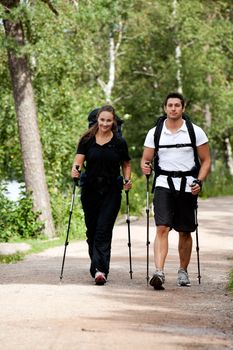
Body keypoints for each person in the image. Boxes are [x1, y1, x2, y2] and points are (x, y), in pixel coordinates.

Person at [140, 92, 211, 290]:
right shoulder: (155, 132)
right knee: (162, 227)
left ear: (183, 108)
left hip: (188, 184)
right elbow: (146, 159)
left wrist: (200, 180)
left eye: (177, 105)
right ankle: (159, 272)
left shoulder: (195, 131)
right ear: (165, 108)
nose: (173, 108)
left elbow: (206, 160)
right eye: (170, 105)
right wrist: (145, 167)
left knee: (185, 230)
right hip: (163, 183)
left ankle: (182, 271)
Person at [71, 105, 132, 285]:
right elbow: (78, 161)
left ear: (113, 122)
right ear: (97, 120)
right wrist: (75, 171)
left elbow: (126, 164)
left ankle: (100, 270)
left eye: (108, 120)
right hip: (90, 189)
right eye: (102, 120)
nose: (105, 123)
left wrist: (127, 179)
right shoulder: (87, 139)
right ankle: (96, 264)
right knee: (92, 231)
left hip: (112, 190)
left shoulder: (119, 142)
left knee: (103, 230)